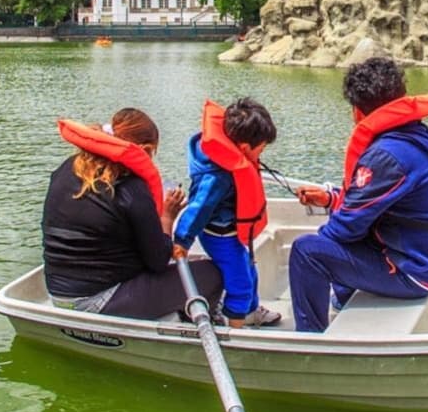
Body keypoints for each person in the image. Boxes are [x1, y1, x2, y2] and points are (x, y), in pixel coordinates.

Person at [288, 57, 428, 332]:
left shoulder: (385, 156)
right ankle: (344, 299)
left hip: (415, 272)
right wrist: (331, 199)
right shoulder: (416, 138)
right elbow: (374, 202)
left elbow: (345, 228)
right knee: (344, 231)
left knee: (307, 252)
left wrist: (323, 245)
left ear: (358, 112)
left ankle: (309, 340)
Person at [42, 107, 223, 320]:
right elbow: (158, 262)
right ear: (144, 150)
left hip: (57, 293)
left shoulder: (67, 168)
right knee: (213, 273)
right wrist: (167, 217)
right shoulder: (131, 189)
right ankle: (196, 319)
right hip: (97, 301)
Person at [173, 98, 283, 328]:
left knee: (250, 271)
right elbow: (199, 208)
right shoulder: (217, 176)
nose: (262, 153)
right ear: (244, 147)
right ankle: (235, 329)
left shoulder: (230, 161)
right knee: (240, 285)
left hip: (232, 232)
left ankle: (251, 312)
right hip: (220, 236)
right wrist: (182, 240)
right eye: (261, 148)